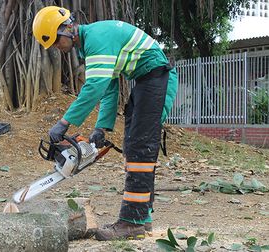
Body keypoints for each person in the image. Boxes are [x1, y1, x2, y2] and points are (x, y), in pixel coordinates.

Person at [32, 6, 178, 241]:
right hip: (146, 80)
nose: (57, 48)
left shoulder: (96, 39)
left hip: (157, 78)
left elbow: (94, 87)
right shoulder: (89, 46)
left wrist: (64, 122)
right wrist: (101, 127)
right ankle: (142, 217)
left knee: (141, 148)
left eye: (56, 41)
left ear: (67, 28)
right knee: (134, 148)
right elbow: (110, 88)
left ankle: (132, 222)